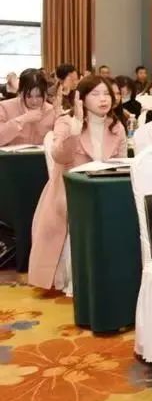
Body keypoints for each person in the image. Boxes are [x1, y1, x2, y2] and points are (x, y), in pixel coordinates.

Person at [29, 76, 126, 290]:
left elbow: (122, 162)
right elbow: (59, 156)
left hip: (106, 189)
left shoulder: (116, 126)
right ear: (81, 98)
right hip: (71, 191)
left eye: (107, 94)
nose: (103, 99)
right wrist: (74, 132)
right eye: (96, 94)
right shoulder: (67, 122)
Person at [0, 69, 57, 146]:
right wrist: (23, 119)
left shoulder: (52, 111)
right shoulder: (4, 107)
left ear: (46, 94)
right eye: (29, 96)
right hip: (11, 153)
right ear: (20, 93)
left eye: (39, 96)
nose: (34, 101)